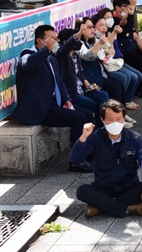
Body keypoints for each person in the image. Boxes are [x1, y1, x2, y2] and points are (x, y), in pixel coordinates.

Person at [13, 25, 93, 173]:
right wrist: (46, 50)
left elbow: (59, 82)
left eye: (56, 39)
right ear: (40, 41)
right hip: (39, 108)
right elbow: (29, 64)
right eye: (52, 39)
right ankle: (76, 161)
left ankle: (86, 153)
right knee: (79, 118)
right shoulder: (27, 54)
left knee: (88, 115)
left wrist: (66, 99)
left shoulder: (51, 56)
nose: (55, 42)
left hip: (55, 103)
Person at [73, 100, 142, 218]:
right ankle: (128, 209)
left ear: (123, 119)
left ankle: (100, 208)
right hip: (103, 187)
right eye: (110, 120)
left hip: (127, 187)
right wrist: (83, 136)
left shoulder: (134, 138)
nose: (115, 123)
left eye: (119, 119)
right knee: (82, 190)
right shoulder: (95, 137)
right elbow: (76, 158)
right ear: (102, 120)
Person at [57, 28, 110, 127]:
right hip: (72, 94)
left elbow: (80, 74)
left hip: (82, 89)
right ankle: (100, 130)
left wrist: (90, 87)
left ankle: (105, 126)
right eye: (76, 40)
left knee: (103, 96)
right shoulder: (62, 57)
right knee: (96, 106)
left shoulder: (75, 55)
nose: (79, 42)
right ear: (66, 42)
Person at [96, 8, 142, 111]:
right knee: (125, 78)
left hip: (116, 60)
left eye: (111, 17)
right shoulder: (99, 36)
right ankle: (120, 105)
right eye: (107, 18)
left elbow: (110, 50)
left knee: (137, 75)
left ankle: (126, 101)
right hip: (108, 65)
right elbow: (106, 50)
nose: (109, 20)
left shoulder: (109, 31)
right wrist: (114, 34)